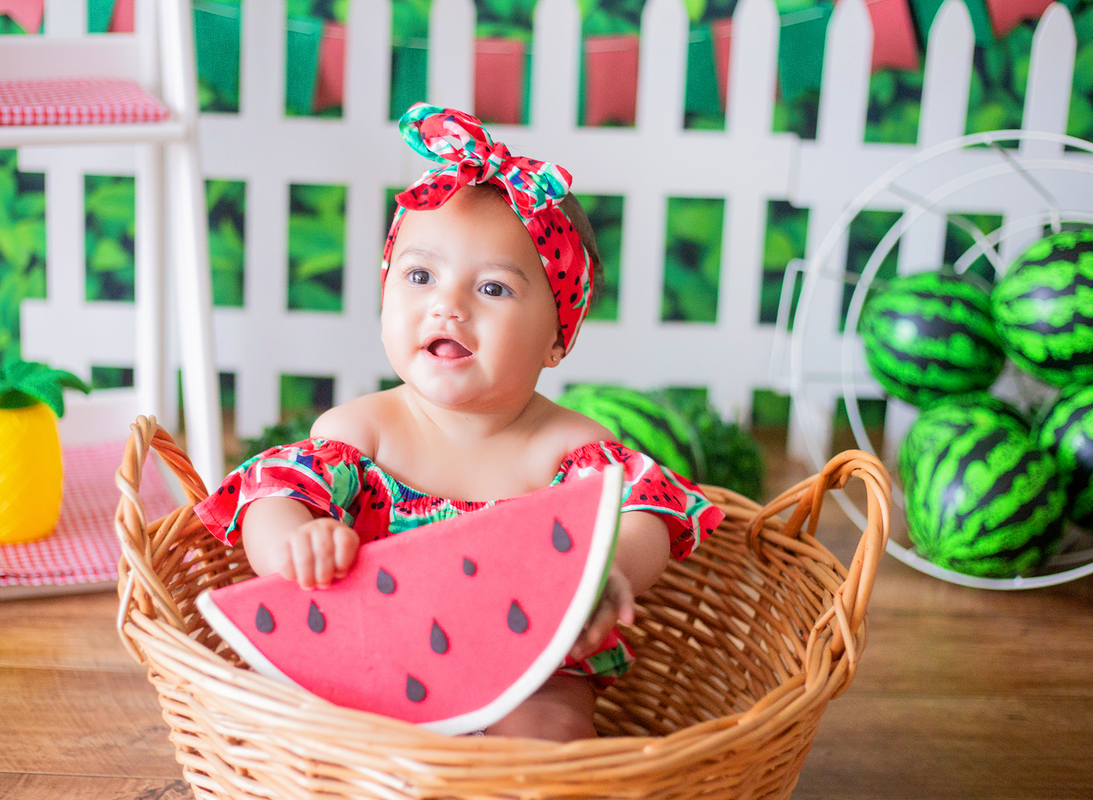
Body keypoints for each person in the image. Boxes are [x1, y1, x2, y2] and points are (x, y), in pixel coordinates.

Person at [195, 104, 724, 741]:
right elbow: (271, 495)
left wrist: (608, 570)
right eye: (420, 276)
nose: (448, 305)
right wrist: (293, 545)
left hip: (535, 665)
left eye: (494, 289)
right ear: (386, 293)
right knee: (314, 734)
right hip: (372, 659)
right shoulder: (360, 434)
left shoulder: (572, 449)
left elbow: (650, 515)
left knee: (550, 730)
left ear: (558, 341)